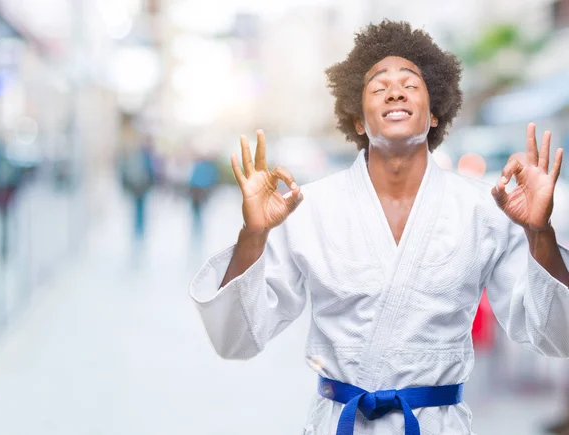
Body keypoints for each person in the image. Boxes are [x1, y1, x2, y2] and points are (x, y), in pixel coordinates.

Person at [189, 20, 569, 435]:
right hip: (342, 423)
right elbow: (236, 339)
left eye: (411, 83)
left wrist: (541, 234)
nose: (395, 90)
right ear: (356, 119)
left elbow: (557, 337)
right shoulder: (307, 208)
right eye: (377, 86)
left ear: (436, 110)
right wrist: (253, 236)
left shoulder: (485, 209)